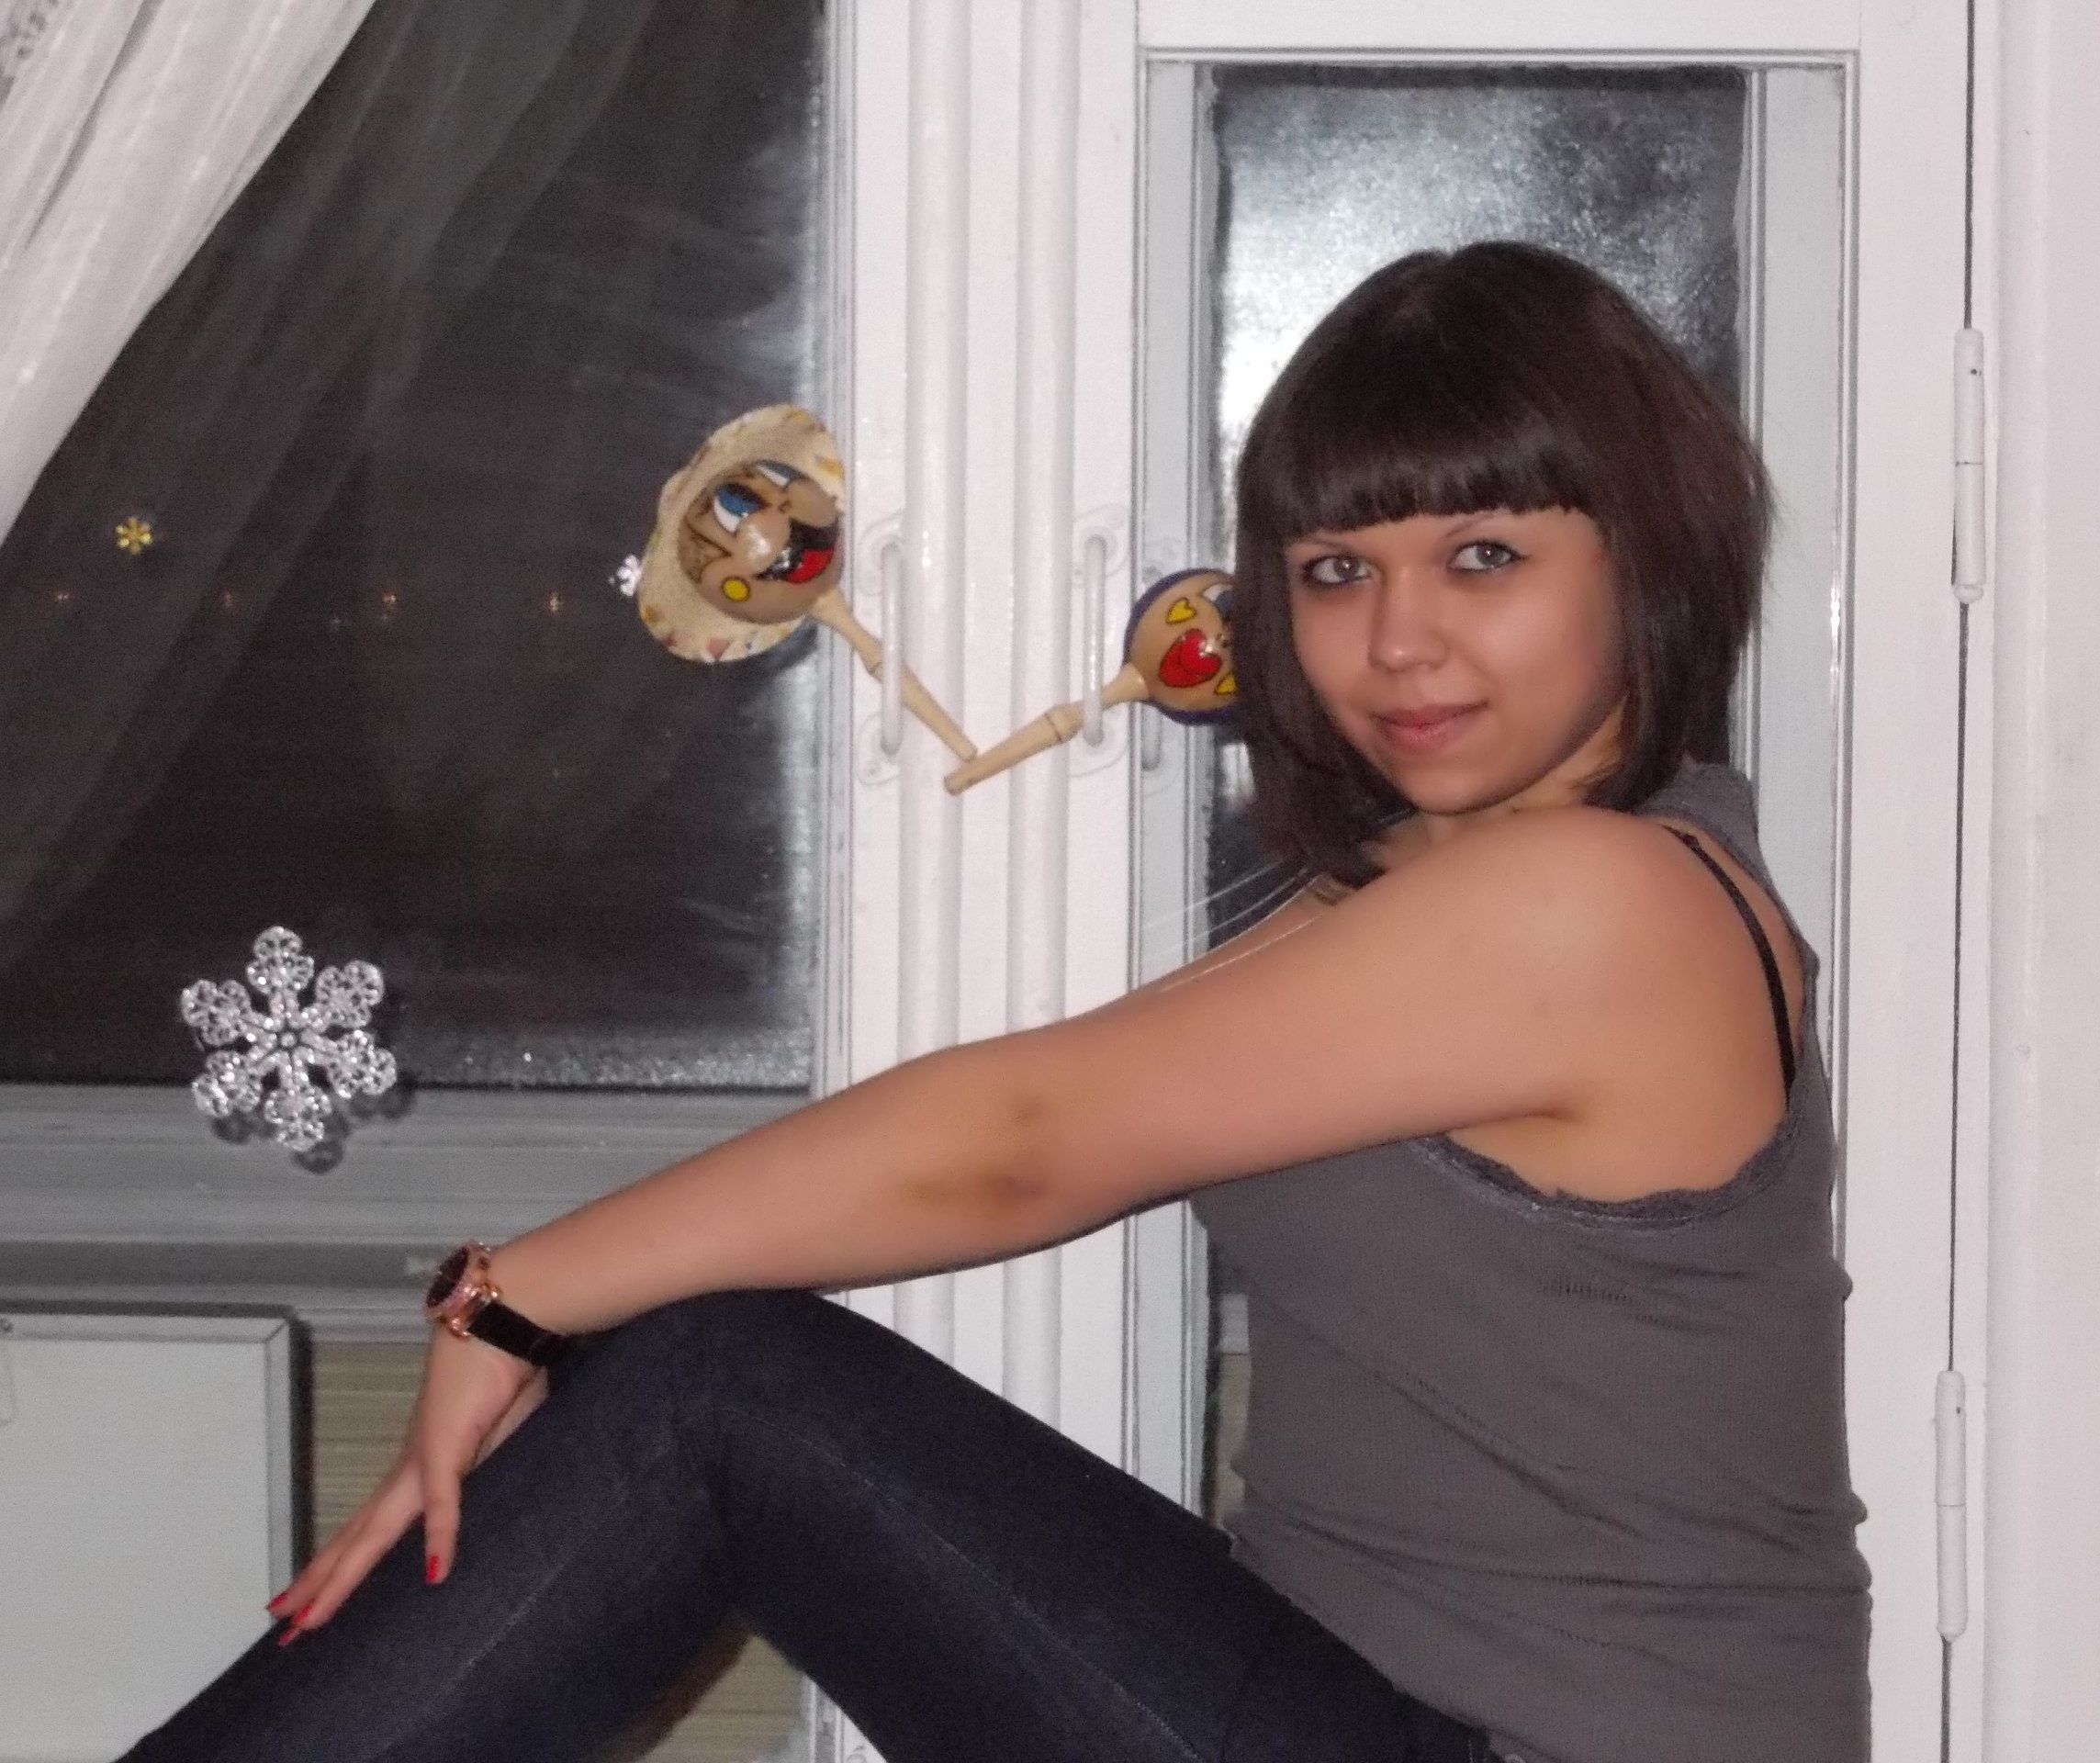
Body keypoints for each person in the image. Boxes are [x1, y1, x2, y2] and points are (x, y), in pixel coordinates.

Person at [126, 241, 1869, 1763]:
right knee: (707, 1378)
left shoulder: (1598, 905)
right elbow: (1068, 1096)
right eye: (1339, 570)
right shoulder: (1440, 883)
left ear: (1644, 559)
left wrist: (506, 1302)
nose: (1398, 640)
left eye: (1483, 556)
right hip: (1371, 1704)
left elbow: (1024, 1139)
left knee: (720, 1388)